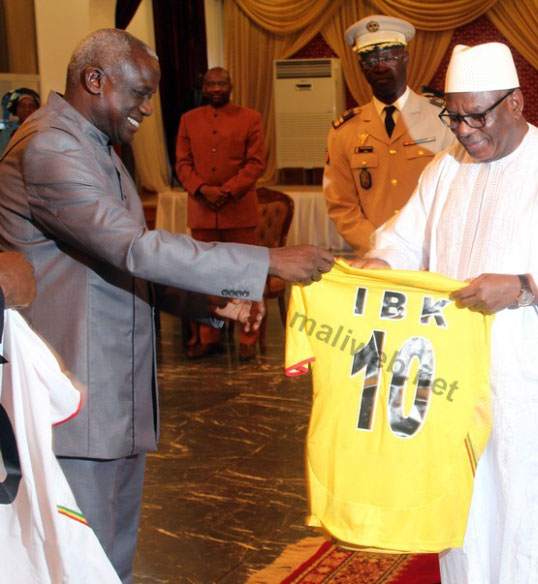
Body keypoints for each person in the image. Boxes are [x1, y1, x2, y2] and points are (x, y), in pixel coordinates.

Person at [0, 28, 333, 584]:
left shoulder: (90, 141)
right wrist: (266, 260)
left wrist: (210, 304)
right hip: (73, 392)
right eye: (140, 93)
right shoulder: (52, 146)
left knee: (111, 556)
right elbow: (131, 247)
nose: (148, 109)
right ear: (94, 80)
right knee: (84, 563)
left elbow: (116, 260)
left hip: (108, 389)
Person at [354, 42, 538, 582]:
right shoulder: (443, 171)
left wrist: (523, 287)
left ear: (517, 103)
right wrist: (378, 261)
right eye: (454, 116)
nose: (464, 130)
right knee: (473, 518)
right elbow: (404, 241)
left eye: (477, 115)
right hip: (464, 386)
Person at [323, 15, 454, 257]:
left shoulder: (443, 119)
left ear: (405, 58)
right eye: (369, 60)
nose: (379, 67)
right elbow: (341, 205)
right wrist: (379, 246)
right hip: (376, 256)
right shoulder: (344, 131)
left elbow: (458, 190)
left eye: (387, 57)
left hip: (433, 253)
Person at [176, 67, 265, 360]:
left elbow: (256, 163)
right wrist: (203, 189)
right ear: (204, 87)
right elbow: (182, 164)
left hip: (239, 209)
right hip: (202, 210)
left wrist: (226, 191)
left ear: (231, 86)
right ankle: (208, 336)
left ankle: (248, 340)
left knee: (246, 276)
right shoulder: (188, 120)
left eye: (221, 83)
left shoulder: (250, 118)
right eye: (211, 84)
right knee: (205, 277)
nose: (216, 88)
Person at [0, 88, 40, 154]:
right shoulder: (6, 133)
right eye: (22, 106)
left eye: (32, 106)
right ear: (15, 110)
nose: (27, 109)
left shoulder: (42, 131)